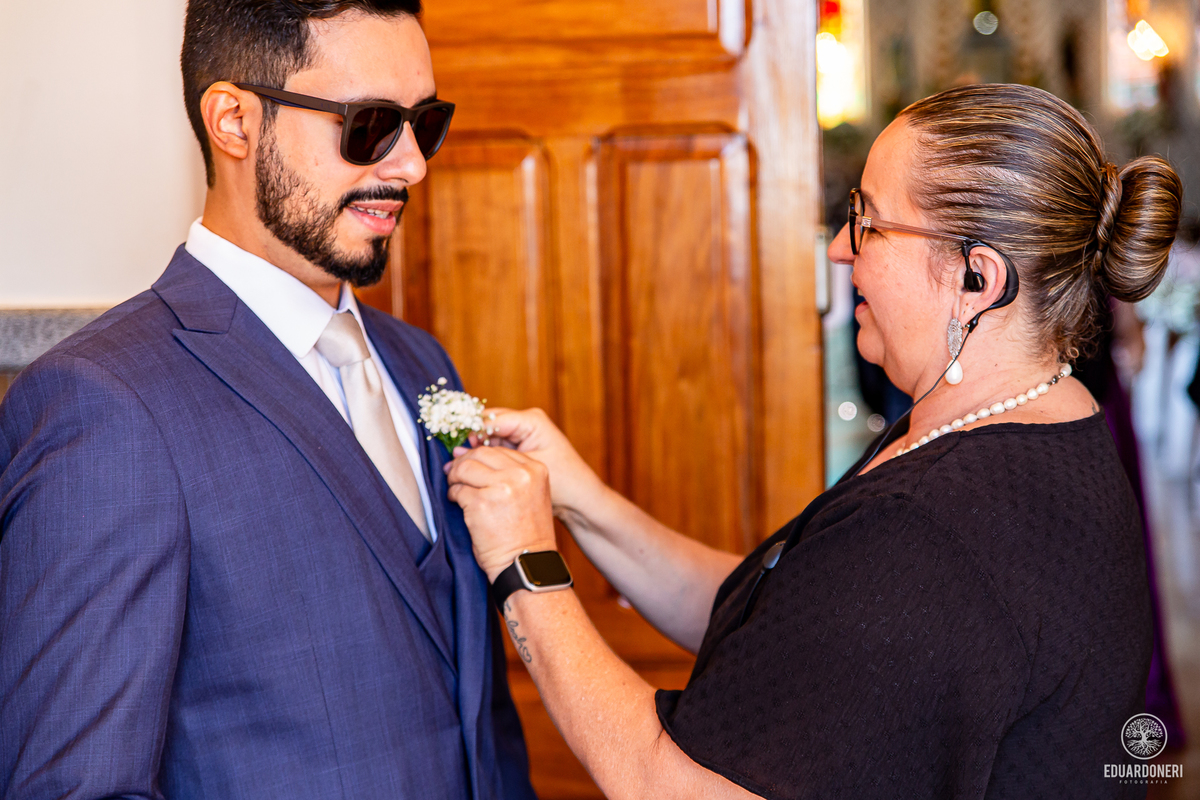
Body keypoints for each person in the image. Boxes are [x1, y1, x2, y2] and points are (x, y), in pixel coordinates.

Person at [444, 84, 1181, 799]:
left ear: (975, 278)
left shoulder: (933, 526)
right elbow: (796, 632)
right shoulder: (1040, 419)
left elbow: (667, 785)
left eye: (868, 221)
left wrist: (522, 561)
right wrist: (581, 500)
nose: (838, 248)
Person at [0, 2, 535, 799]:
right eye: (370, 125)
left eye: (427, 123)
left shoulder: (422, 363)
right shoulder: (103, 407)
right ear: (235, 121)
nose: (412, 165)